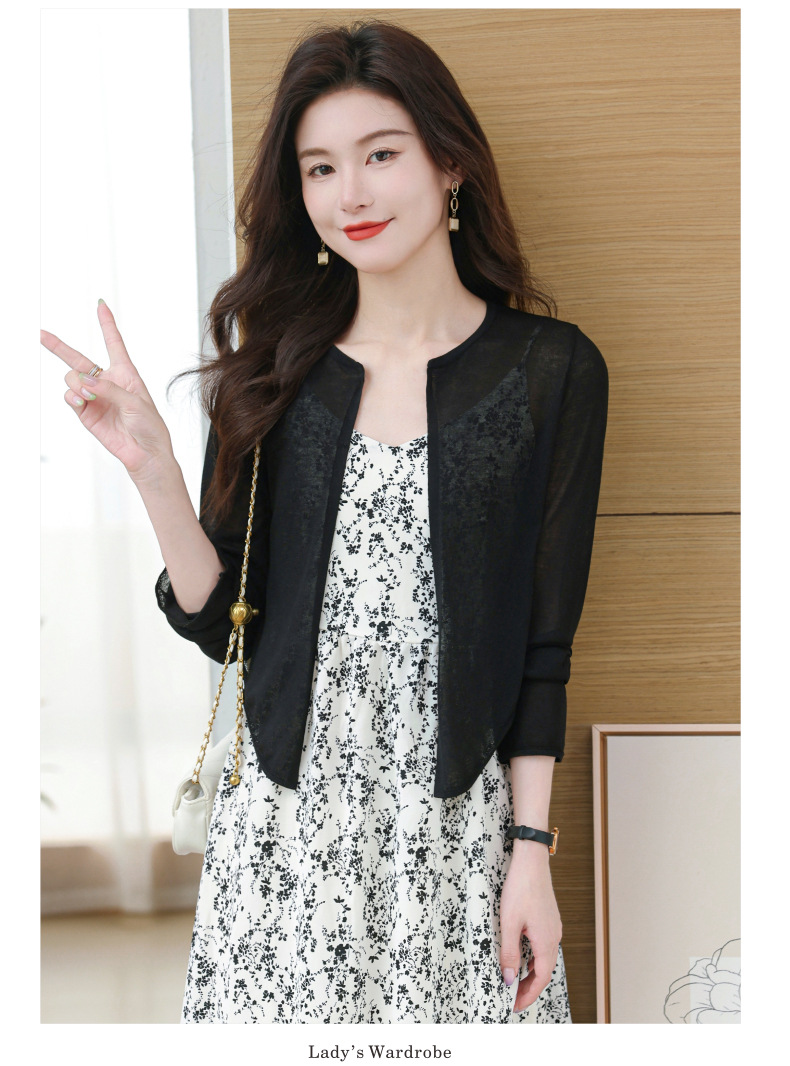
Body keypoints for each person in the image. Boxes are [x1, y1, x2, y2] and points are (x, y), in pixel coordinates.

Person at [41, 20, 607, 1024]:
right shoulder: (271, 374)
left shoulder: (549, 371)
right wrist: (155, 472)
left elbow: (542, 648)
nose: (351, 195)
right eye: (320, 168)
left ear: (450, 165)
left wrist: (530, 854)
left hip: (456, 836)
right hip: (287, 835)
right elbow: (224, 623)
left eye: (380, 155)